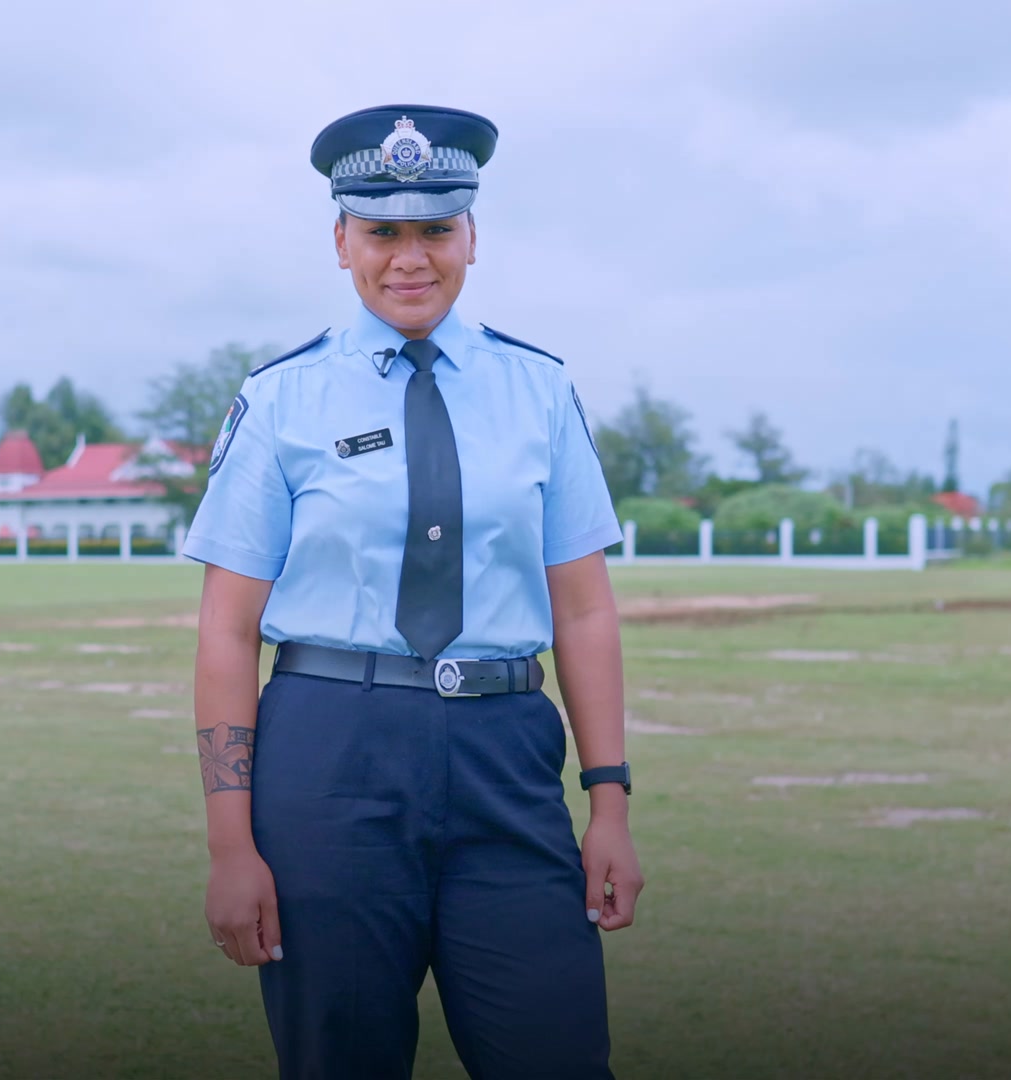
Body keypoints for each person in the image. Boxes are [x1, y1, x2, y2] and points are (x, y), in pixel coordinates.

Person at [183, 103, 643, 1080]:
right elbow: (228, 633)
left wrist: (609, 804)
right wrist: (231, 844)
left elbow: (585, 610)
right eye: (382, 231)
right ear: (340, 239)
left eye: (435, 228)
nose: (409, 257)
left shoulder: (539, 390)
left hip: (504, 761)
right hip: (329, 759)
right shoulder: (281, 400)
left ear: (472, 235)